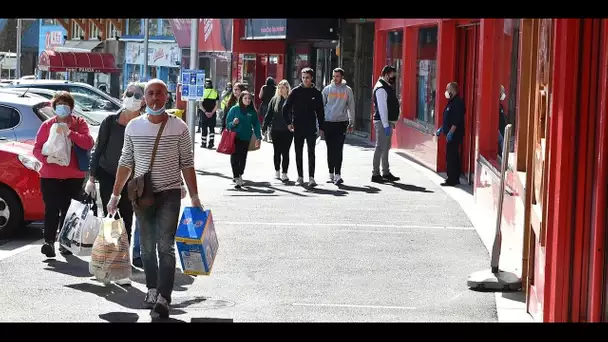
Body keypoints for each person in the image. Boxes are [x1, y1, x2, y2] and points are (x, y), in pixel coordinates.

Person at [107, 79, 204, 318]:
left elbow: (187, 164)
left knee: (165, 246)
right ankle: (151, 289)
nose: (155, 98)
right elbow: (125, 162)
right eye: (150, 94)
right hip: (142, 196)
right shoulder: (133, 127)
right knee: (147, 248)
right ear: (144, 99)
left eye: (159, 94)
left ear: (167, 97)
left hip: (170, 193)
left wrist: (195, 197)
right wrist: (115, 194)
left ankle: (163, 296)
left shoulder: (179, 127)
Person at [86, 82, 146, 274]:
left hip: (131, 179)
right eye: (130, 93)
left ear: (143, 101)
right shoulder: (110, 122)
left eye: (138, 95)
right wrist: (91, 177)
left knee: (127, 218)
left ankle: (123, 258)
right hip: (107, 175)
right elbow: (98, 149)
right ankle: (109, 257)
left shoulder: (144, 124)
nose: (133, 98)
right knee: (111, 217)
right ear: (123, 94)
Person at [33, 91, 95, 258]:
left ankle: (65, 242)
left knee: (69, 210)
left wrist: (70, 133)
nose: (62, 109)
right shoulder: (47, 125)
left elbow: (88, 142)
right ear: (54, 107)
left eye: (65, 106)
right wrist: (47, 159)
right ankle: (49, 242)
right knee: (51, 208)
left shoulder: (79, 123)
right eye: (59, 105)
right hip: (50, 174)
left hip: (73, 175)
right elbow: (36, 148)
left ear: (71, 108)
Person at [282, 67, 325, 187]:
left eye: (307, 78)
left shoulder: (316, 93)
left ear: (312, 78)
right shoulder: (295, 92)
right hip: (298, 126)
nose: (305, 80)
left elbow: (320, 112)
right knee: (298, 152)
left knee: (311, 152)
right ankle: (300, 177)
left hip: (311, 127)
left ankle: (311, 177)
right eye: (303, 77)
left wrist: (322, 127)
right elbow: (285, 108)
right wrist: (288, 123)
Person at [322, 68, 355, 185]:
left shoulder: (347, 90)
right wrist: (320, 124)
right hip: (328, 122)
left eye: (337, 76)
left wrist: (351, 122)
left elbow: (351, 107)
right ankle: (331, 173)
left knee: (339, 149)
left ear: (342, 77)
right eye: (334, 76)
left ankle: (338, 174)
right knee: (330, 149)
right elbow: (321, 106)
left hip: (341, 123)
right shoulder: (327, 89)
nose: (335, 78)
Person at [225, 91, 262, 188]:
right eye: (245, 98)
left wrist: (258, 137)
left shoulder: (252, 111)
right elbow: (228, 124)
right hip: (235, 136)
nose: (248, 100)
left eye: (249, 99)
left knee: (243, 157)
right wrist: (233, 123)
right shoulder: (234, 109)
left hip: (246, 137)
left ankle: (240, 174)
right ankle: (236, 176)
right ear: (241, 99)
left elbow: (256, 125)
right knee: (234, 157)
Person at [371, 65, 401, 183]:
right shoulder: (381, 88)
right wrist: (386, 125)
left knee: (386, 148)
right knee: (380, 147)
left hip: (387, 122)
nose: (394, 78)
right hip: (383, 122)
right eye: (392, 75)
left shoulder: (386, 86)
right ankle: (375, 174)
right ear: (386, 74)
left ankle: (385, 172)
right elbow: (382, 108)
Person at [435, 81, 465, 186]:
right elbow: (448, 118)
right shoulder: (451, 102)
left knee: (451, 156)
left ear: (453, 90)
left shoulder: (458, 103)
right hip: (449, 132)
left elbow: (456, 120)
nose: (446, 91)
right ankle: (452, 177)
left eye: (447, 89)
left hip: (455, 135)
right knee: (451, 155)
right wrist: (442, 128)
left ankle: (452, 179)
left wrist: (451, 132)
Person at [262, 79, 292, 181]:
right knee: (277, 151)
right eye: (279, 87)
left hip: (288, 130)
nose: (280, 89)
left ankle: (284, 172)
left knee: (286, 152)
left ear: (287, 88)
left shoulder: (291, 100)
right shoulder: (274, 100)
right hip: (275, 129)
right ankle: (277, 171)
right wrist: (264, 127)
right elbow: (268, 114)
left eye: (282, 87)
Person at [198, 79, 219, 149]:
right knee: (212, 129)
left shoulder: (202, 92)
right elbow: (217, 105)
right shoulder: (215, 92)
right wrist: (212, 112)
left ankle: (203, 143)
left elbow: (200, 105)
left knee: (204, 129)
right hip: (212, 114)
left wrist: (205, 112)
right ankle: (211, 143)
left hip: (204, 114)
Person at [497, 85, 507, 156]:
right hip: (498, 130)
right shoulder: (497, 105)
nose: (504, 94)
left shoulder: (500, 105)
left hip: (502, 130)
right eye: (503, 92)